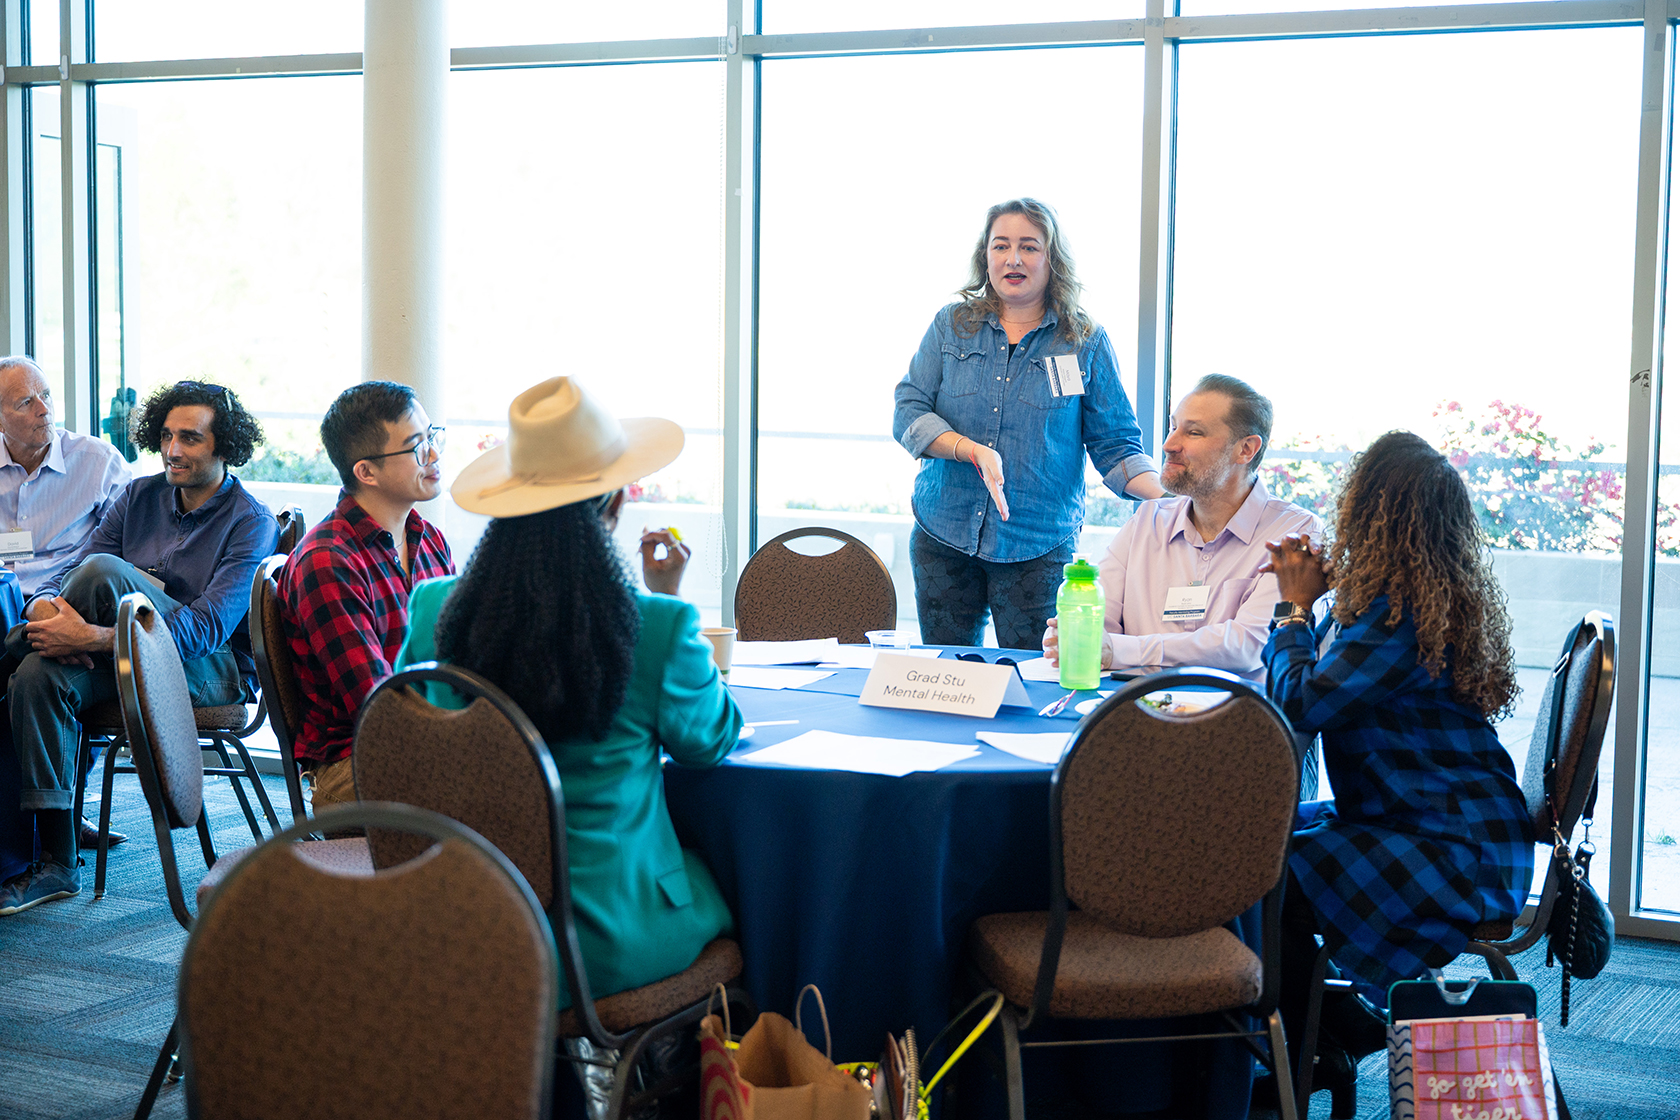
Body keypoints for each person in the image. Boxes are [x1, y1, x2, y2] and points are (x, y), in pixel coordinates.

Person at [394, 376, 739, 1016]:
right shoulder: (657, 627)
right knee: (739, 891)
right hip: (606, 944)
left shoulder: (434, 609)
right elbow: (709, 742)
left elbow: (403, 742)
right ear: (611, 499)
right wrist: (668, 595)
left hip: (469, 923)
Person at [1258, 430, 1534, 1097]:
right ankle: (1335, 1029)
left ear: (1370, 514)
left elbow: (1300, 702)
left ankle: (1311, 1049)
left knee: (1275, 873)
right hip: (1436, 823)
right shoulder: (1410, 597)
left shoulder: (1395, 615)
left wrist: (1294, 608)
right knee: (1267, 847)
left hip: (1452, 849)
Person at [0, 381, 279, 916]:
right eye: (168, 436)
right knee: (39, 674)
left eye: (191, 439)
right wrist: (43, 609)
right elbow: (69, 572)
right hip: (127, 660)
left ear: (225, 446)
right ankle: (58, 864)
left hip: (206, 670)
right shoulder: (138, 496)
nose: (173, 450)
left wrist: (91, 637)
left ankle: (8, 651)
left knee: (106, 574)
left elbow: (205, 630)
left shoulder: (250, 521)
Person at [893, 198, 1165, 650]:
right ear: (987, 257)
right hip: (944, 535)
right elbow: (909, 408)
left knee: (1036, 681)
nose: (1013, 259)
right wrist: (970, 449)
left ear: (1052, 259)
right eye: (1001, 246)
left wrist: (1173, 500)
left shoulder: (1083, 341)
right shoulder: (951, 326)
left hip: (1037, 546)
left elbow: (1116, 444)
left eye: (1029, 247)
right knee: (946, 677)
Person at [1041, 374, 1319, 675]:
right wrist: (1074, 635)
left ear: (1246, 450)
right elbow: (1095, 620)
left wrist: (1118, 650)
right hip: (1129, 709)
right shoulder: (1147, 521)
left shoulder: (1294, 534)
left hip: (1231, 715)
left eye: (1194, 433)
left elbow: (1249, 644)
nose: (1168, 444)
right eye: (1173, 427)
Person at [279, 381, 453, 817]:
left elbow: (457, 660)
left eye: (432, 437)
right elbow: (378, 705)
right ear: (366, 472)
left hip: (424, 744)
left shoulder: (429, 540)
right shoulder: (328, 560)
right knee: (505, 795)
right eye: (416, 447)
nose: (433, 455)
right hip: (354, 764)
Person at [0, 356, 132, 881]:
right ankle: (39, 822)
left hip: (75, 605)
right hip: (7, 605)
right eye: (24, 402)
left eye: (47, 395)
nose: (44, 410)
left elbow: (128, 551)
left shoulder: (97, 462)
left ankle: (48, 823)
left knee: (44, 667)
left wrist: (73, 618)